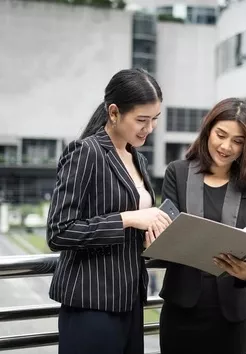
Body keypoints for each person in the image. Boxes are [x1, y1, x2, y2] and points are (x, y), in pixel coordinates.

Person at [46, 68, 172, 354]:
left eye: (154, 120)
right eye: (142, 120)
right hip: (91, 306)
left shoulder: (137, 157)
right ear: (114, 113)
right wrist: (128, 219)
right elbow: (59, 232)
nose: (149, 128)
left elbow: (132, 233)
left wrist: (151, 237)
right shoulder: (86, 152)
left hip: (130, 302)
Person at [149, 97, 246, 354]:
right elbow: (167, 235)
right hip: (182, 310)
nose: (226, 147)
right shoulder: (177, 173)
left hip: (232, 316)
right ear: (208, 129)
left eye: (238, 141)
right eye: (221, 135)